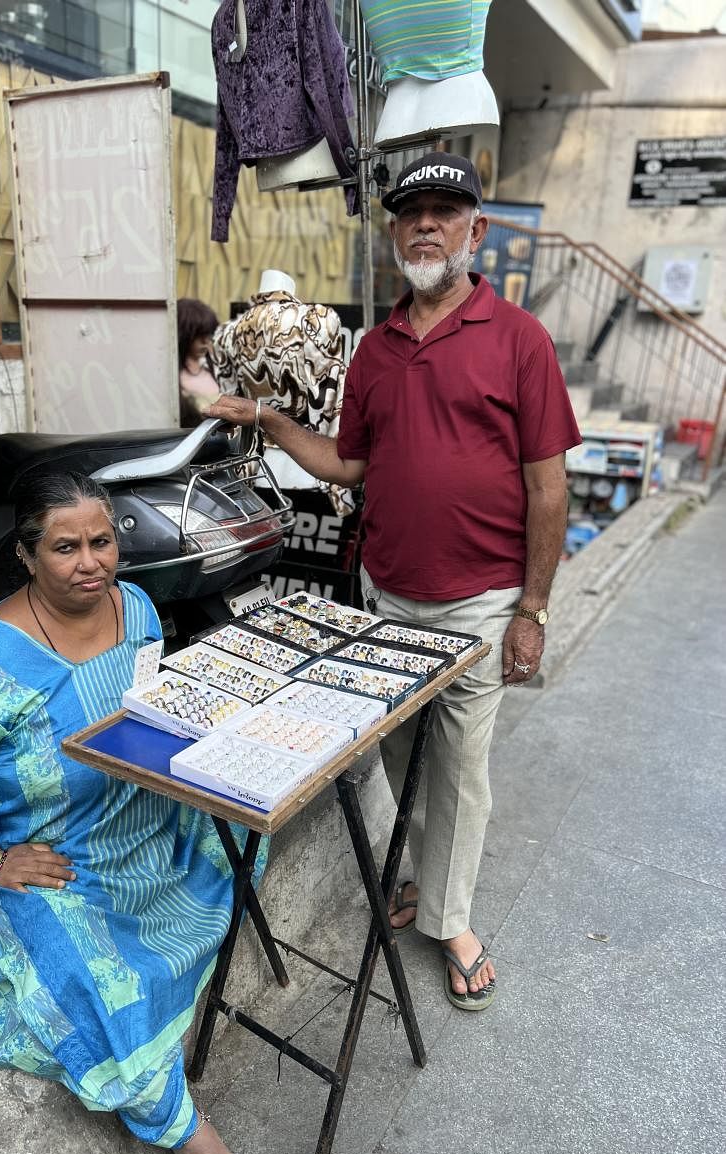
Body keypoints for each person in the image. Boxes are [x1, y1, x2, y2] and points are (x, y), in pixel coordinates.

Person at [209, 151, 581, 1013]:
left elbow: (548, 487)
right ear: (391, 234)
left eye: (445, 212)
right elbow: (349, 464)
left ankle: (450, 921)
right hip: (385, 593)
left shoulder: (519, 340)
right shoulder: (374, 350)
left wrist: (532, 610)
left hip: (480, 602)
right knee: (408, 756)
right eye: (410, 212)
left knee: (459, 768)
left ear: (474, 231)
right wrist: (267, 417)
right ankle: (428, 882)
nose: (425, 224)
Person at [0, 470, 263, 1154]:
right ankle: (191, 1139)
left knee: (233, 847)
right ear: (25, 555)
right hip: (58, 855)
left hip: (141, 821)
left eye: (103, 541)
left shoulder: (136, 603)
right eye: (66, 547)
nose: (91, 563)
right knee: (95, 982)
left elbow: (143, 703)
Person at [178, 297, 222, 427]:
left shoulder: (216, 368)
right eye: (198, 334)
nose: (205, 341)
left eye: (208, 333)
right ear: (183, 334)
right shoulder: (171, 377)